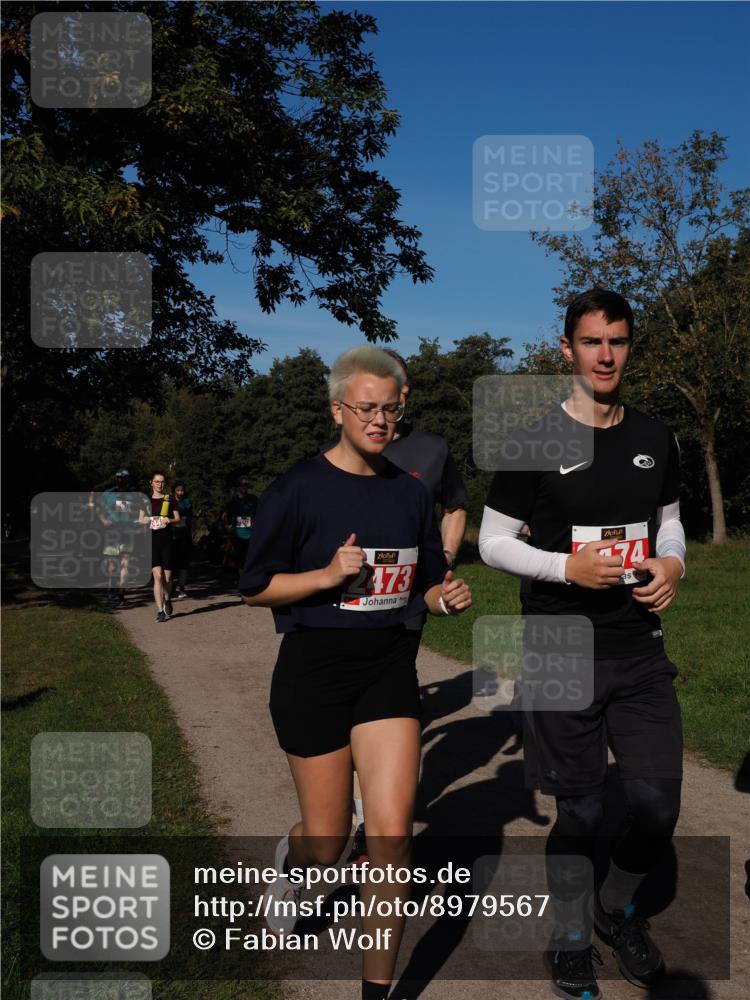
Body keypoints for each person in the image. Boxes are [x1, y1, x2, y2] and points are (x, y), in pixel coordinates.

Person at [240, 346, 472, 999]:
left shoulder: (410, 493)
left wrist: (442, 598)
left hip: (387, 670)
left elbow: (422, 585)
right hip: (312, 674)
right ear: (337, 410)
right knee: (329, 841)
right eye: (366, 408)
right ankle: (293, 865)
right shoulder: (296, 489)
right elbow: (255, 587)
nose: (379, 420)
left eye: (390, 409)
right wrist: (325, 576)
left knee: (391, 837)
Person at [479, 289, 686, 999]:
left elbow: (668, 523)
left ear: (629, 348)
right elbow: (493, 542)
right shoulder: (534, 440)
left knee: (657, 806)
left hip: (639, 647)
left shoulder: (656, 437)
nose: (605, 355)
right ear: (566, 348)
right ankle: (569, 934)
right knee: (584, 810)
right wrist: (565, 568)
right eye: (592, 341)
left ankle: (614, 908)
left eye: (617, 342)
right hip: (561, 647)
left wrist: (673, 565)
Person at [347, 348, 468, 858]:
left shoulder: (433, 449)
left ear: (405, 394)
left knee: (386, 694)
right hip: (348, 600)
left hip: (407, 599)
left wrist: (444, 560)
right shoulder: (346, 444)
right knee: (351, 701)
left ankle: (367, 820)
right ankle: (351, 805)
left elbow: (456, 506)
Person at [138, 471, 180, 622]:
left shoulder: (169, 499)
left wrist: (169, 520)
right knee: (157, 576)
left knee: (167, 577)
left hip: (166, 541)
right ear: (151, 483)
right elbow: (141, 519)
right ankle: (160, 611)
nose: (159, 484)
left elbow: (178, 518)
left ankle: (167, 599)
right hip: (151, 541)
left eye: (162, 482)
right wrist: (151, 519)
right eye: (157, 481)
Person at [97, 468, 139, 607]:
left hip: (127, 533)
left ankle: (121, 595)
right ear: (116, 478)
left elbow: (137, 513)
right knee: (113, 565)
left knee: (125, 564)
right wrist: (103, 520)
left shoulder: (133, 496)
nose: (121, 480)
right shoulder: (108, 494)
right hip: (112, 533)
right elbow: (99, 509)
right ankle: (112, 590)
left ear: (128, 479)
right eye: (119, 478)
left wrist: (137, 522)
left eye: (124, 478)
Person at [223, 477, 258, 578]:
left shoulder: (254, 499)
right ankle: (243, 581)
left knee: (252, 560)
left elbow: (259, 515)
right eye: (242, 485)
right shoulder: (233, 501)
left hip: (253, 535)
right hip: (238, 535)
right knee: (240, 560)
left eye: (246, 485)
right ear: (238, 487)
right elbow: (227, 517)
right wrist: (229, 525)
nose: (244, 488)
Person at [170, 480, 192, 599]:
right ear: (174, 491)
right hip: (172, 535)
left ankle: (182, 588)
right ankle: (171, 587)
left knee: (183, 562)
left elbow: (190, 518)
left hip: (184, 535)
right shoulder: (169, 501)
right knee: (171, 562)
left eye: (182, 490)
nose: (180, 492)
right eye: (178, 490)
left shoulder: (187, 502)